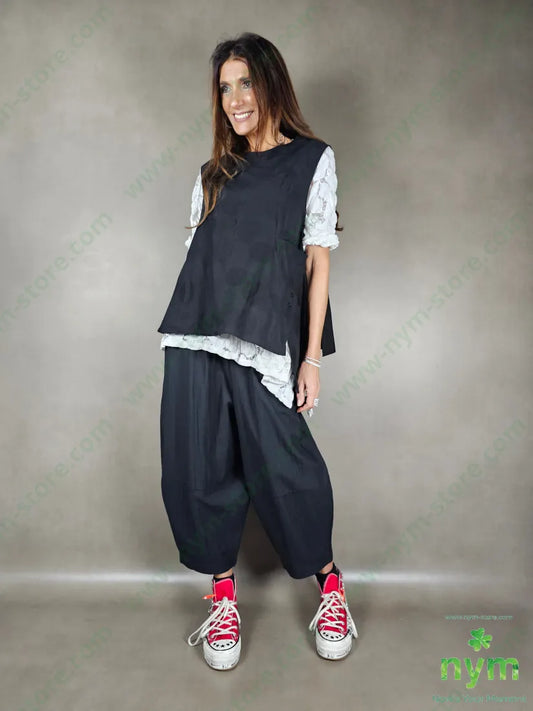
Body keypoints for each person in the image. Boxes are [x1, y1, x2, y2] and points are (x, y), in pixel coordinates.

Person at [158, 31, 358, 671]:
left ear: (271, 83)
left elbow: (316, 265)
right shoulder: (212, 175)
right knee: (199, 466)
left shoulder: (311, 160)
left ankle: (330, 586)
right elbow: (199, 261)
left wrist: (310, 358)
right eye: (225, 88)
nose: (235, 99)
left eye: (245, 83)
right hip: (196, 337)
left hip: (265, 343)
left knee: (286, 465)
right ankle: (222, 598)